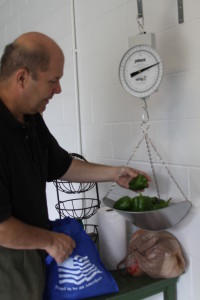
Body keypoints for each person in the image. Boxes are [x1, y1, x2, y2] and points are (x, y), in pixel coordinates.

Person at [0, 32, 151, 299]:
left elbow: (61, 165)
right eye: (53, 80)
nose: (58, 90)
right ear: (22, 77)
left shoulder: (30, 117)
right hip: (7, 264)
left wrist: (115, 174)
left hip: (31, 253)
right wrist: (49, 241)